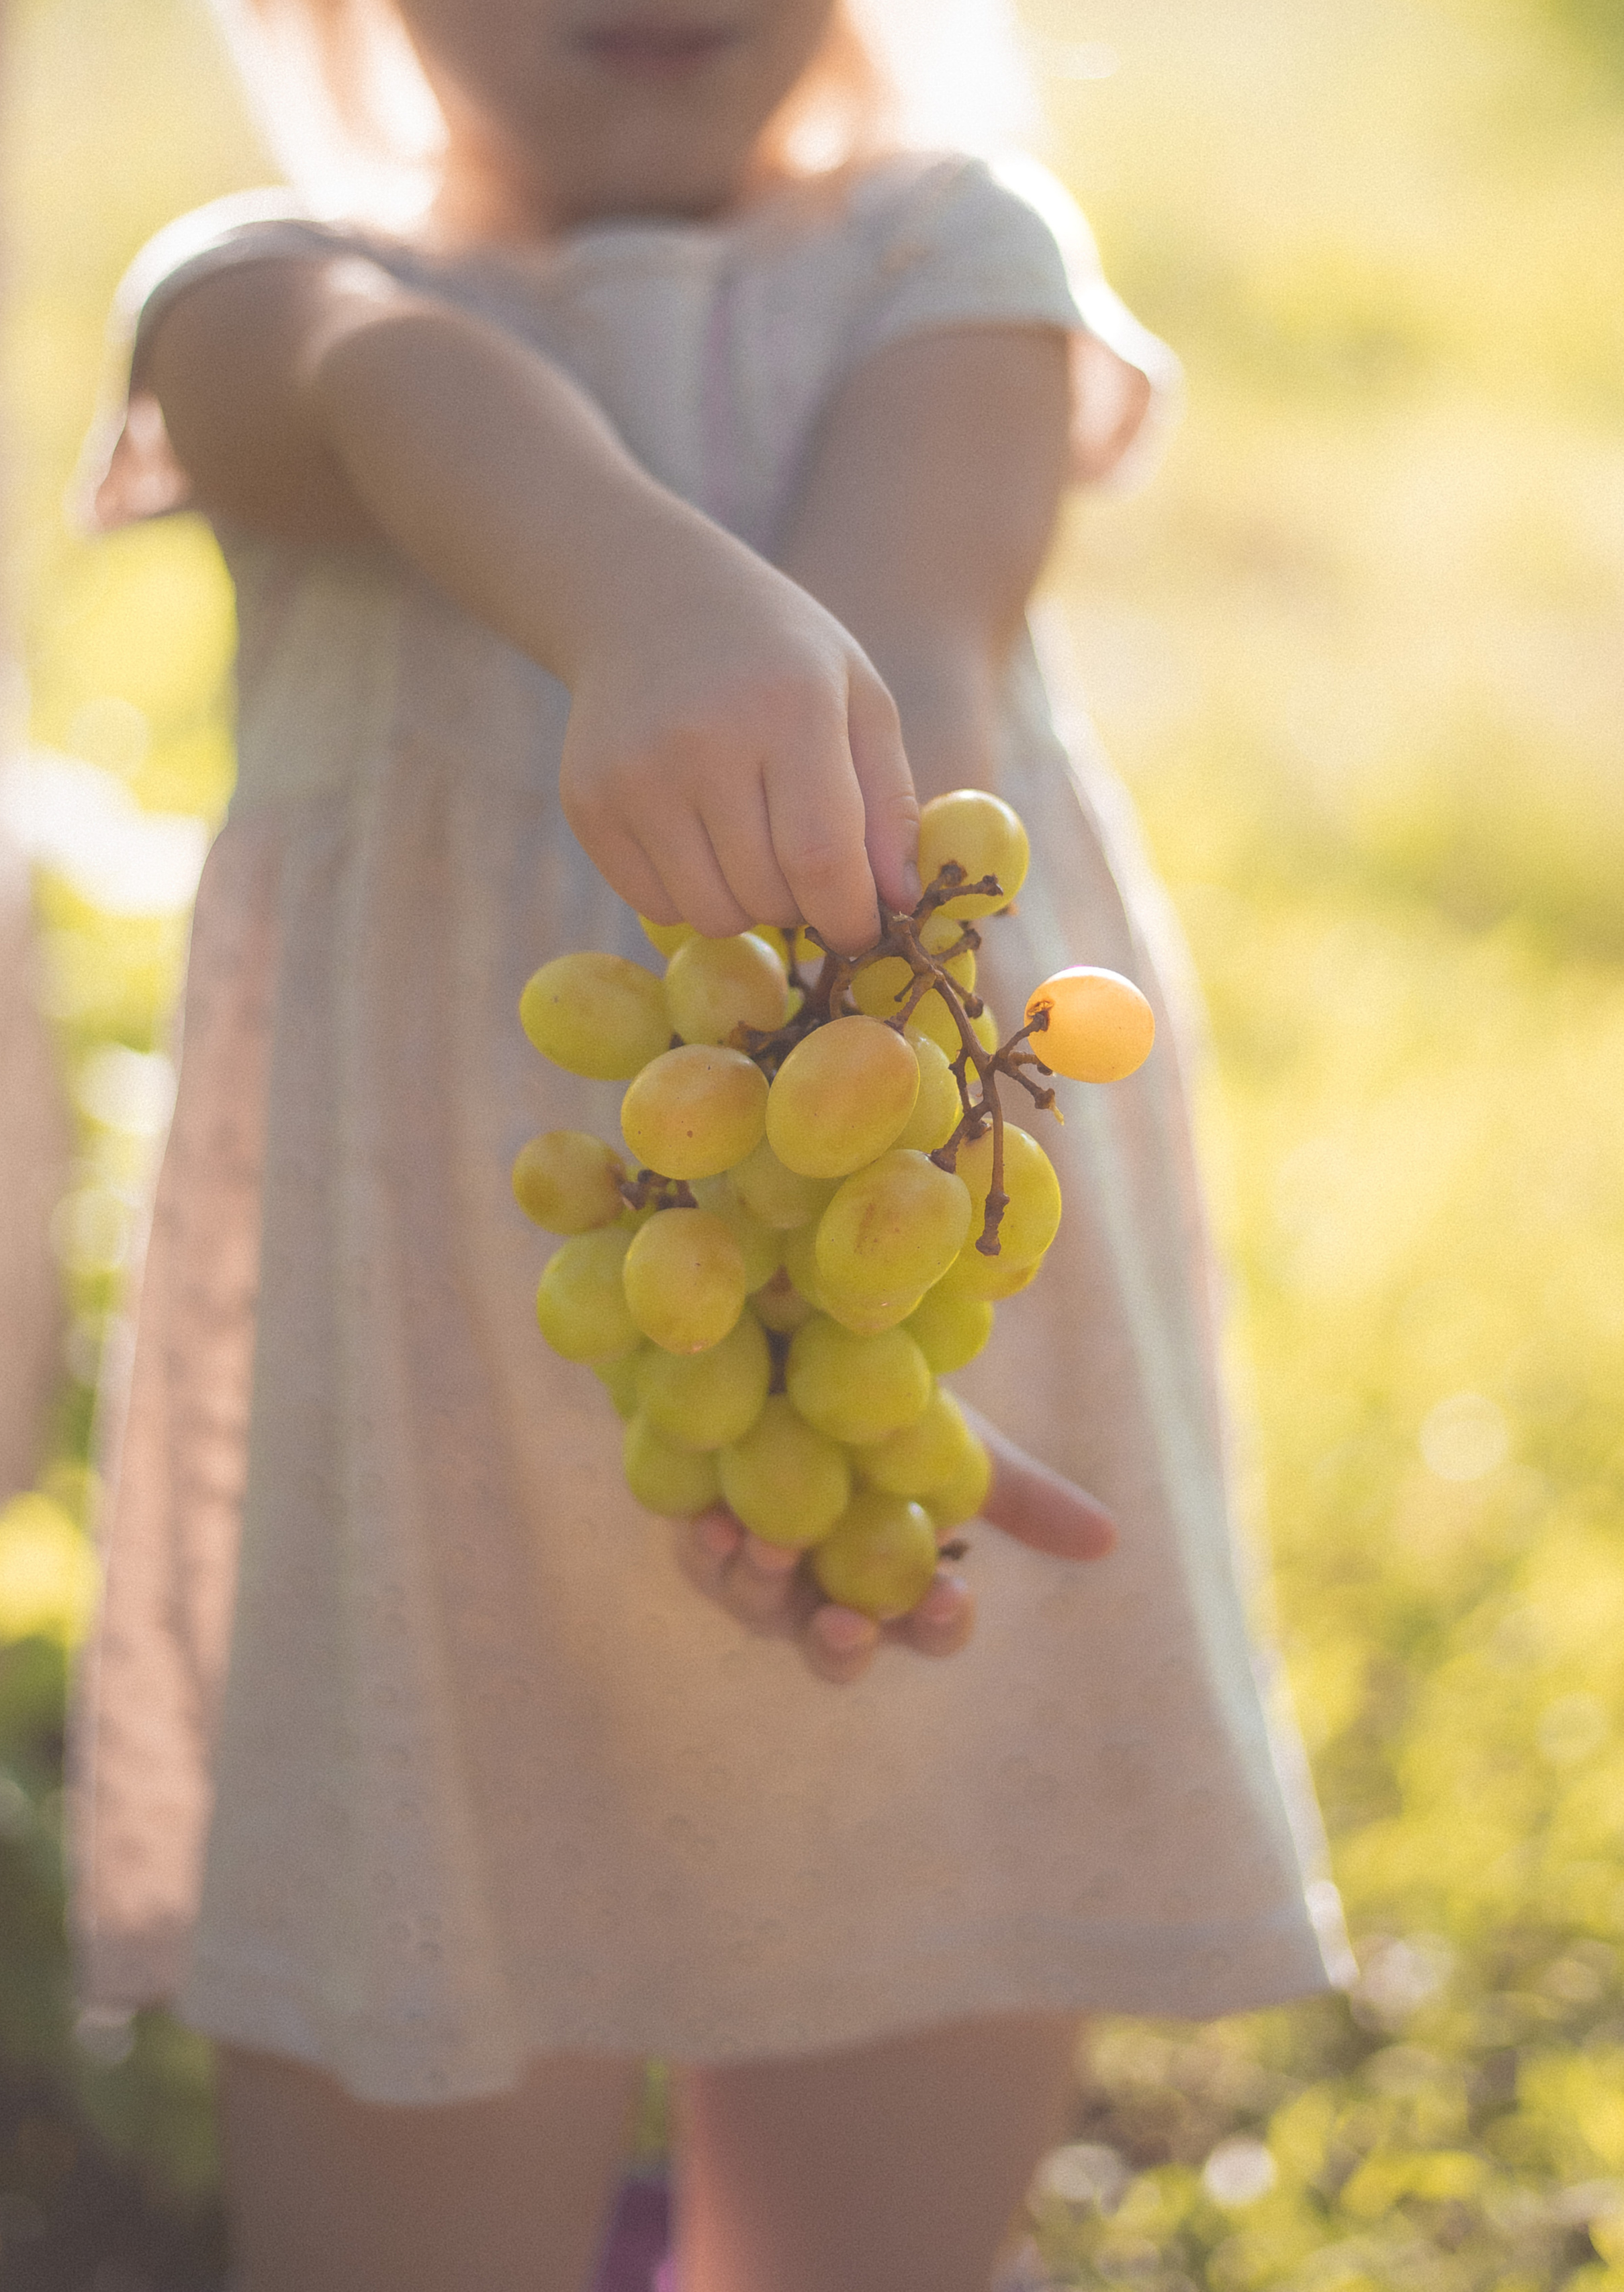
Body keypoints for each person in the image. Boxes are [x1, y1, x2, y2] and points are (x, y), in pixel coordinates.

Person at [69, 3, 1352, 2287]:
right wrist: (635, 594)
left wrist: (829, 1314)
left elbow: (923, 649)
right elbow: (391, 389)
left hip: (895, 1356)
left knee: (905, 2001)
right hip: (444, 1403)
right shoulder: (256, 295)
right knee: (407, 2123)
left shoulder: (962, 260)